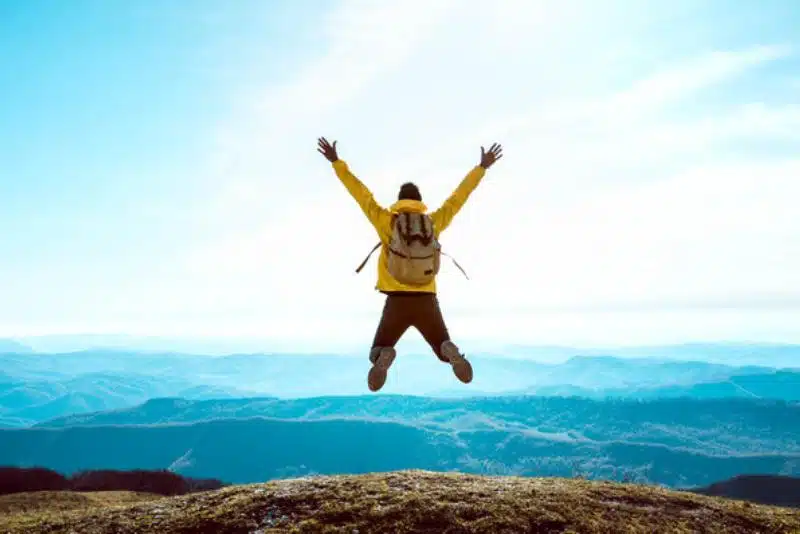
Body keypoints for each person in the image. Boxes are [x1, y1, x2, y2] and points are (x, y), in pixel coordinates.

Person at [317, 137, 503, 392]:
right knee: (441, 347)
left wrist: (337, 163)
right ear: (419, 203)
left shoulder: (387, 222)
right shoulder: (433, 224)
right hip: (427, 299)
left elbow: (361, 195)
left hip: (396, 301)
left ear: (400, 202)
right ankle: (450, 352)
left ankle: (385, 356)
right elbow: (457, 199)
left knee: (376, 351)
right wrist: (481, 168)